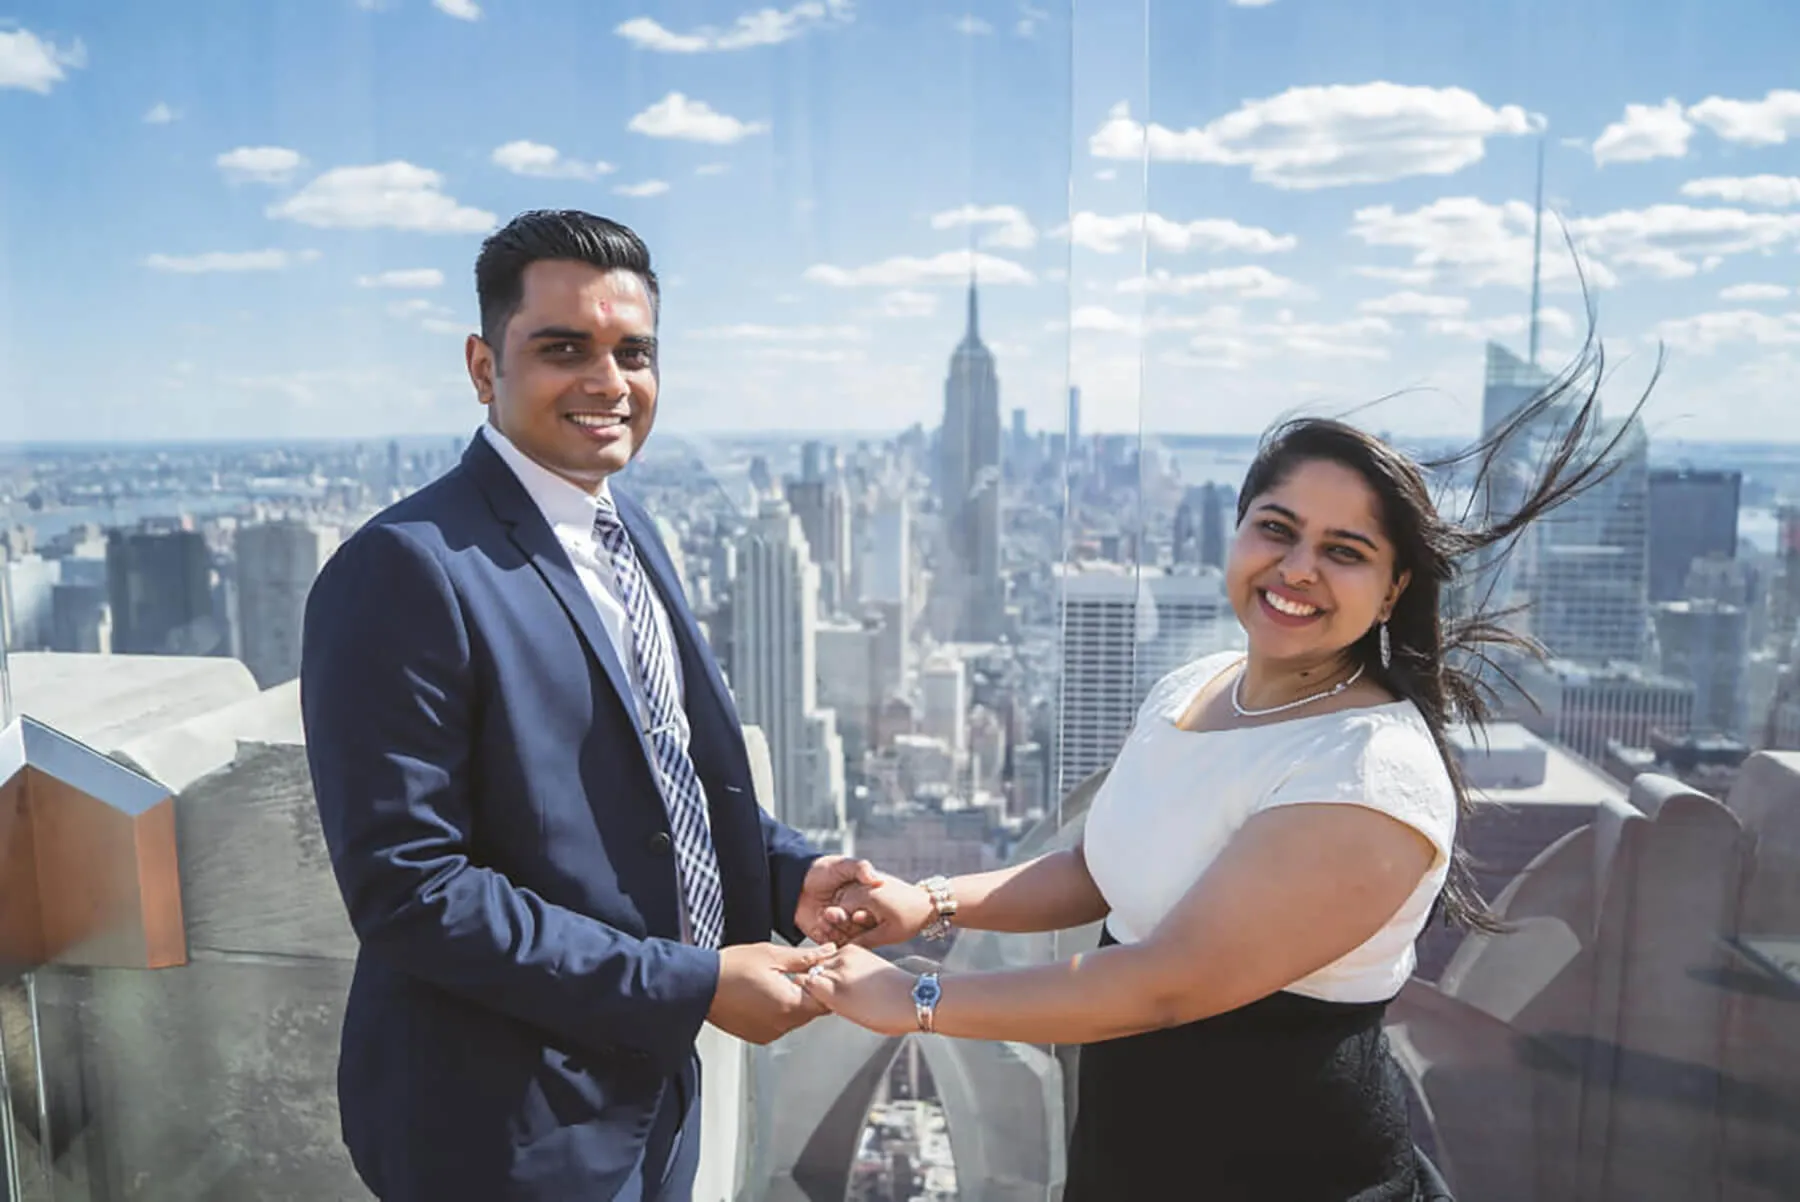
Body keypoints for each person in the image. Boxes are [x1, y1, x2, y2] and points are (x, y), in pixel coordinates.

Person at [801, 356, 1642, 1201]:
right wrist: (934, 902)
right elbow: (1103, 867)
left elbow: (1169, 983)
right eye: (1276, 528)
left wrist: (916, 997)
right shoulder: (1195, 686)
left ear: (1393, 592)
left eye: (1343, 551)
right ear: (1237, 531)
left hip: (1290, 1173)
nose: (1299, 567)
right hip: (1132, 1158)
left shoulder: (1368, 768)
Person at [300, 209, 879, 1202]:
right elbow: (412, 891)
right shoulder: (405, 568)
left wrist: (786, 872)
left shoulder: (624, 524)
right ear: (485, 367)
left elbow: (660, 771)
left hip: (645, 1097)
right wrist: (691, 983)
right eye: (563, 347)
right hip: (502, 1130)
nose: (609, 382)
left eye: (634, 350)